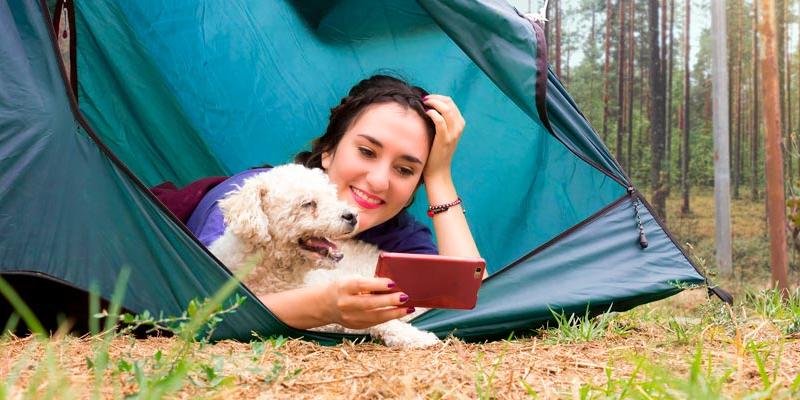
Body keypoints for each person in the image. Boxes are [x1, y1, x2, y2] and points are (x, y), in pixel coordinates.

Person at [187, 75, 480, 330]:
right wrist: (324, 306)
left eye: (405, 170)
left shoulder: (399, 236)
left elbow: (474, 303)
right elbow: (199, 305)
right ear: (328, 151)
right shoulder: (261, 197)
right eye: (367, 151)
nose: (379, 181)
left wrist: (440, 176)